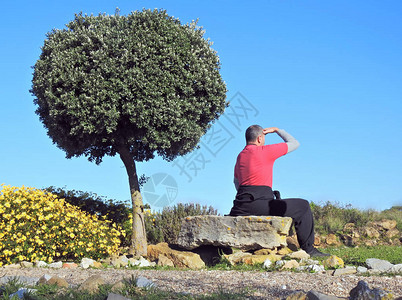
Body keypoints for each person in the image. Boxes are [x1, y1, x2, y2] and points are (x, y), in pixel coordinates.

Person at [229, 125, 329, 257]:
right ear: (259, 138)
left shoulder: (240, 156)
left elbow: (236, 182)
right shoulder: (265, 150)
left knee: (276, 202)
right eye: (264, 137)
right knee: (303, 206)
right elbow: (294, 143)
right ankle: (309, 250)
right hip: (261, 206)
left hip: (240, 207)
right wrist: (277, 130)